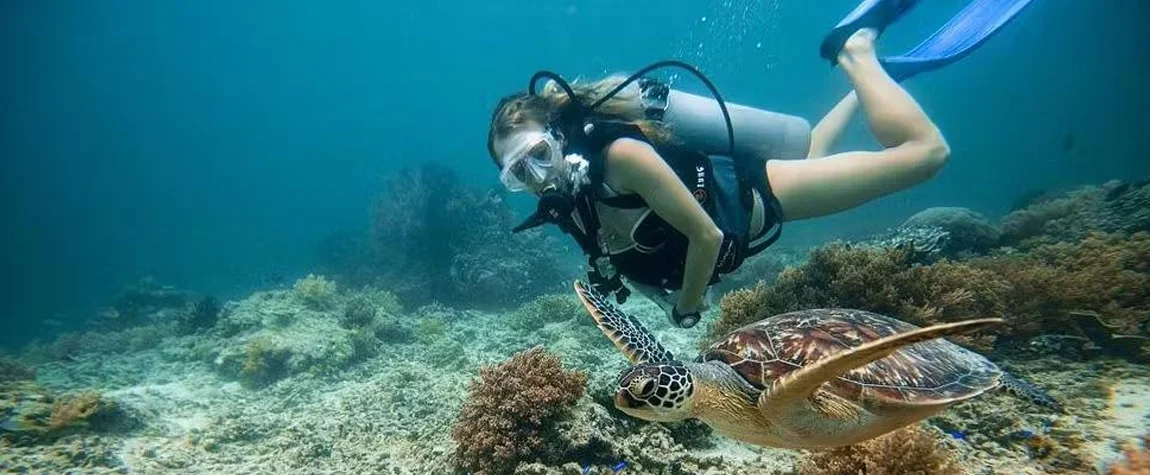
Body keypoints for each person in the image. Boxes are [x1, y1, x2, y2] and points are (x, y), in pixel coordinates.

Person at [486, 0, 1035, 328]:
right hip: (750, 201)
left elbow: (703, 236)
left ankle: (857, 52)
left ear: (559, 137)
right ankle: (880, 82)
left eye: (539, 157)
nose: (539, 179)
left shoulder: (622, 158)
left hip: (763, 196)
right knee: (814, 148)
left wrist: (689, 310)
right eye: (519, 175)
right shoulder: (568, 201)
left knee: (925, 156)